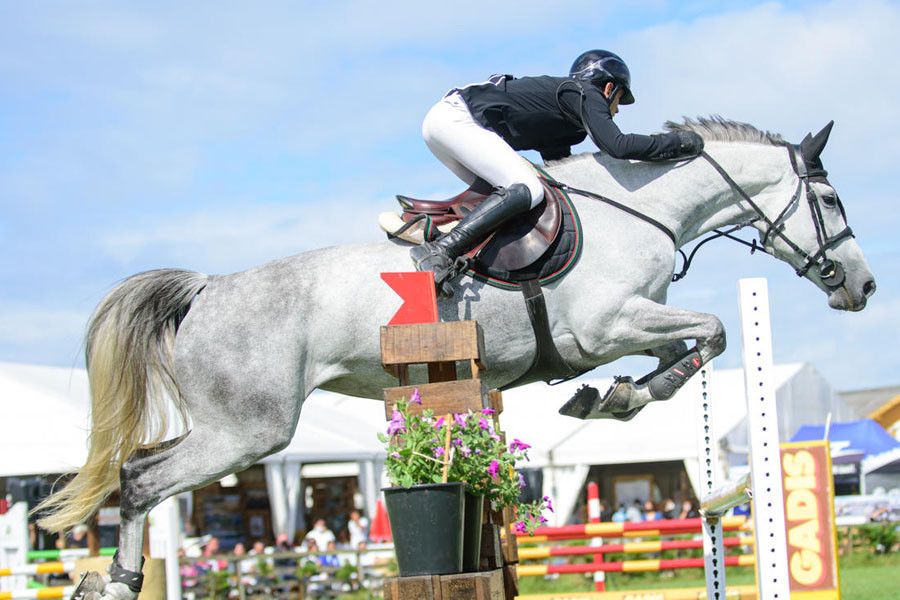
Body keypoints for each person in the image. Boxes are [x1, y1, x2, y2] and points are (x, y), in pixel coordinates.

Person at [410, 50, 705, 294]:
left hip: (444, 127)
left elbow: (563, 178)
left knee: (532, 195)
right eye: (618, 100)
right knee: (528, 188)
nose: (616, 111)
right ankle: (441, 252)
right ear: (608, 88)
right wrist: (677, 142)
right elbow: (619, 145)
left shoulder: (566, 120)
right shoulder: (584, 93)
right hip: (456, 121)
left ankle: (461, 259)